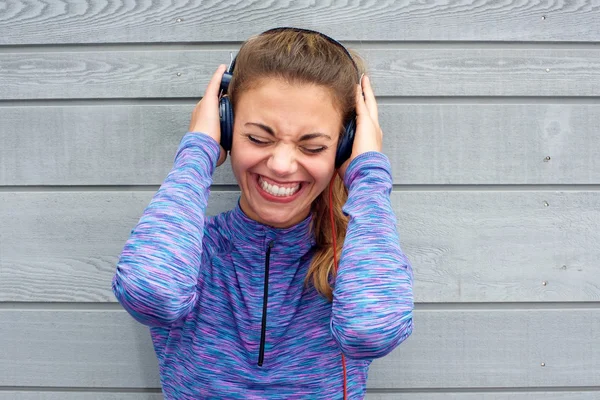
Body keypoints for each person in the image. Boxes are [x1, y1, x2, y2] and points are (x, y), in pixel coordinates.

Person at [112, 27, 413, 399]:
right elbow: (151, 293)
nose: (282, 165)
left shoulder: (357, 257)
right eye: (258, 138)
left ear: (344, 147)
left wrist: (367, 173)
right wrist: (197, 152)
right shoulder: (189, 248)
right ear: (226, 128)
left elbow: (371, 330)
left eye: (313, 146)